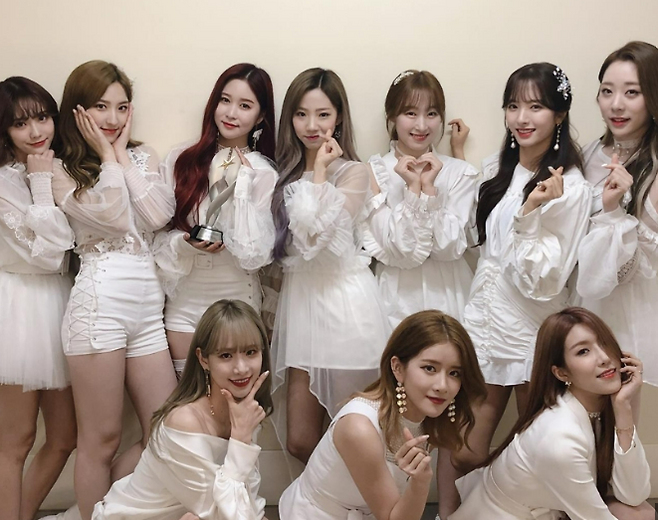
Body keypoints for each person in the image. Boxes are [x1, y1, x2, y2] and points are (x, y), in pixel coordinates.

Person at [452, 63, 592, 486]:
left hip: (532, 323)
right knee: (463, 447)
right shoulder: (498, 169)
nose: (521, 118)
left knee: (535, 449)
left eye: (536, 106)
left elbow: (546, 280)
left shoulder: (571, 187)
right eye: (513, 106)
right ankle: (454, 513)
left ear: (560, 114)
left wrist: (530, 212)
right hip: (484, 315)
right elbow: (476, 239)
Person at [51, 60, 178, 519]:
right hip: (98, 306)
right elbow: (115, 217)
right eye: (101, 107)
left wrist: (122, 156)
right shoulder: (61, 168)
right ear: (78, 110)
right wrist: (106, 156)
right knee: (101, 440)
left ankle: (113, 510)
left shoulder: (141, 157)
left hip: (148, 311)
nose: (113, 117)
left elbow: (158, 215)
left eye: (122, 107)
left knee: (167, 432)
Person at [270, 68, 391, 463]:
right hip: (302, 309)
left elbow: (316, 241)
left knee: (353, 436)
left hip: (345, 306)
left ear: (339, 118)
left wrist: (320, 171)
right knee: (300, 440)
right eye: (301, 114)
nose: (312, 126)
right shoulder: (282, 174)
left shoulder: (354, 172)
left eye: (323, 114)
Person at [279, 309, 487, 520]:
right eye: (429, 368)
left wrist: (419, 483)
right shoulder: (359, 428)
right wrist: (420, 483)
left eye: (454, 373)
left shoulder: (428, 418)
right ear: (397, 368)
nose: (442, 385)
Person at [450, 307, 653, 520]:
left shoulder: (598, 406)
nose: (604, 358)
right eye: (583, 351)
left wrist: (623, 408)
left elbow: (634, 494)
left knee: (640, 513)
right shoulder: (558, 437)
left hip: (551, 511)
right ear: (562, 373)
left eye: (604, 343)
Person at [92, 299, 273, 520]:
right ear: (203, 359)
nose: (241, 368)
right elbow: (222, 514)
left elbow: (245, 498)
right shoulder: (184, 422)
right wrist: (241, 440)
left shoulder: (244, 411)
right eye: (226, 355)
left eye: (251, 352)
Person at [153, 63, 278, 379]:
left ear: (260, 117)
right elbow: (158, 235)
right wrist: (186, 244)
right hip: (185, 302)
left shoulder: (263, 172)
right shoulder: (181, 159)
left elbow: (255, 256)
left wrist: (244, 185)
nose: (231, 113)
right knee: (188, 400)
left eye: (245, 106)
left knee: (233, 401)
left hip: (237, 299)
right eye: (225, 100)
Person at [0, 76, 76, 520]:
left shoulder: (57, 166)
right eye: (19, 123)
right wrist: (42, 183)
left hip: (57, 302)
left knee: (65, 437)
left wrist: (46, 177)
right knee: (16, 441)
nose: (35, 132)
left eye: (42, 117)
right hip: (19, 305)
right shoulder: (5, 182)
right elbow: (49, 256)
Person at [363, 68, 478, 327]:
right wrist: (413, 191)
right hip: (395, 301)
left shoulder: (460, 172)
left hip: (448, 294)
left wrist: (429, 190)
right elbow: (397, 249)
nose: (422, 125)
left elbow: (448, 248)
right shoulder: (374, 171)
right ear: (392, 116)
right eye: (410, 113)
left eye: (432, 113)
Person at [577, 41, 658, 387]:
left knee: (622, 407)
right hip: (583, 311)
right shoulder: (587, 154)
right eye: (607, 91)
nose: (616, 104)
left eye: (632, 92)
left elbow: (635, 268)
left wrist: (616, 212)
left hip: (631, 320)